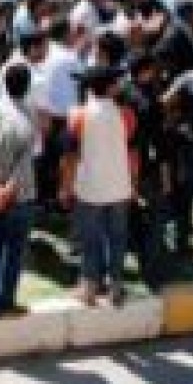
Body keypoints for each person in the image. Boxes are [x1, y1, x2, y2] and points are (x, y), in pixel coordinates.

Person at [61, 64, 136, 307]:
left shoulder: (78, 116)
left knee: (91, 240)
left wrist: (66, 186)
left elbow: (70, 157)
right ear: (111, 88)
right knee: (118, 238)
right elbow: (133, 153)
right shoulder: (126, 115)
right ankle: (116, 288)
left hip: (91, 189)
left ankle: (89, 289)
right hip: (120, 186)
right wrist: (133, 184)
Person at [0, 63, 38, 318]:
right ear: (27, 85)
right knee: (13, 251)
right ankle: (4, 302)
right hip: (18, 195)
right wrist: (7, 192)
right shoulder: (28, 116)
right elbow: (23, 165)